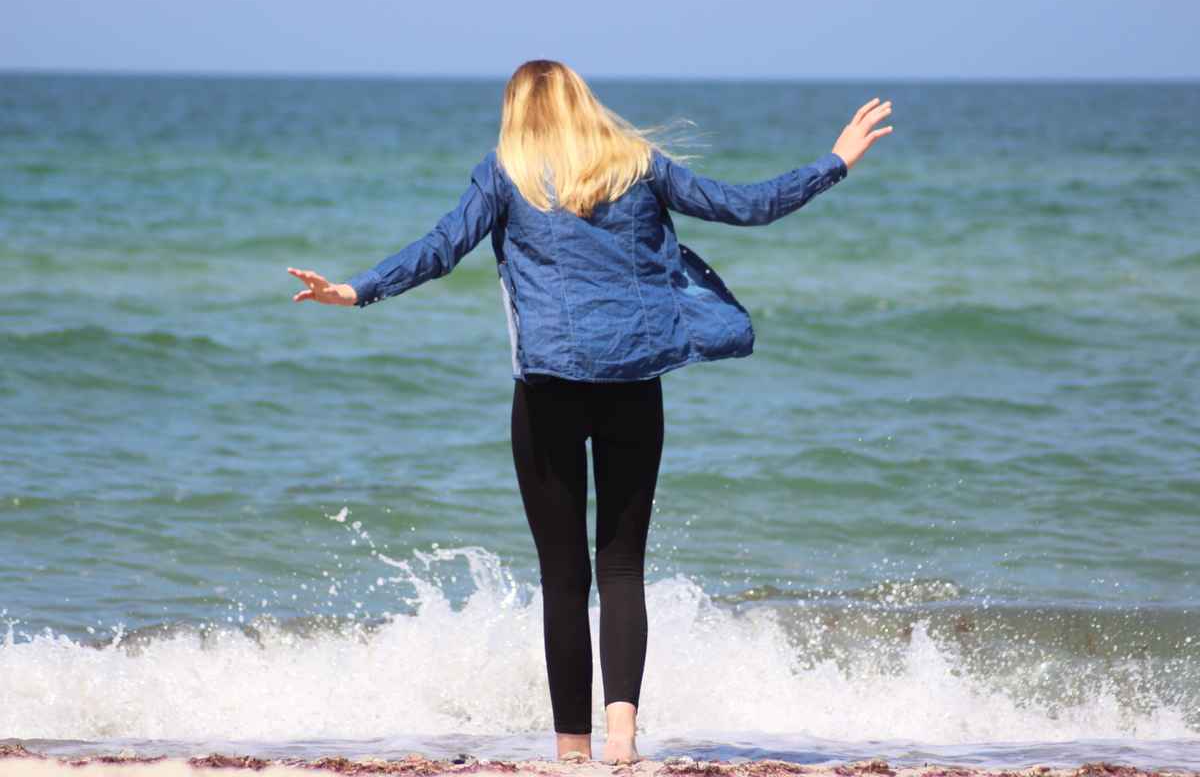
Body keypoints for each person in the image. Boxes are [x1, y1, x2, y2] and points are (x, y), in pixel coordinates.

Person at [287, 59, 892, 764]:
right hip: (633, 381)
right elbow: (745, 205)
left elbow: (441, 248)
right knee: (623, 567)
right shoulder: (636, 163)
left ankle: (572, 751)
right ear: (583, 103)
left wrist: (356, 290)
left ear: (517, 113)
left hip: (548, 387)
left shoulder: (506, 173)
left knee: (564, 576)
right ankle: (623, 739)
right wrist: (833, 163)